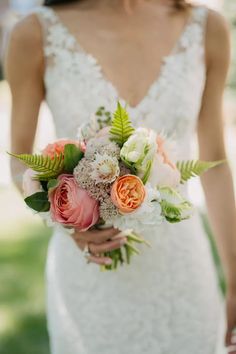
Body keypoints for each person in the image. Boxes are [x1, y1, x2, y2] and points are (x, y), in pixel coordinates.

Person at [4, 0, 236, 353]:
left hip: (182, 272)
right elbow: (20, 161)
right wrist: (69, 221)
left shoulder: (207, 29)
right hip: (89, 276)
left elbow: (214, 162)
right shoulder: (35, 33)